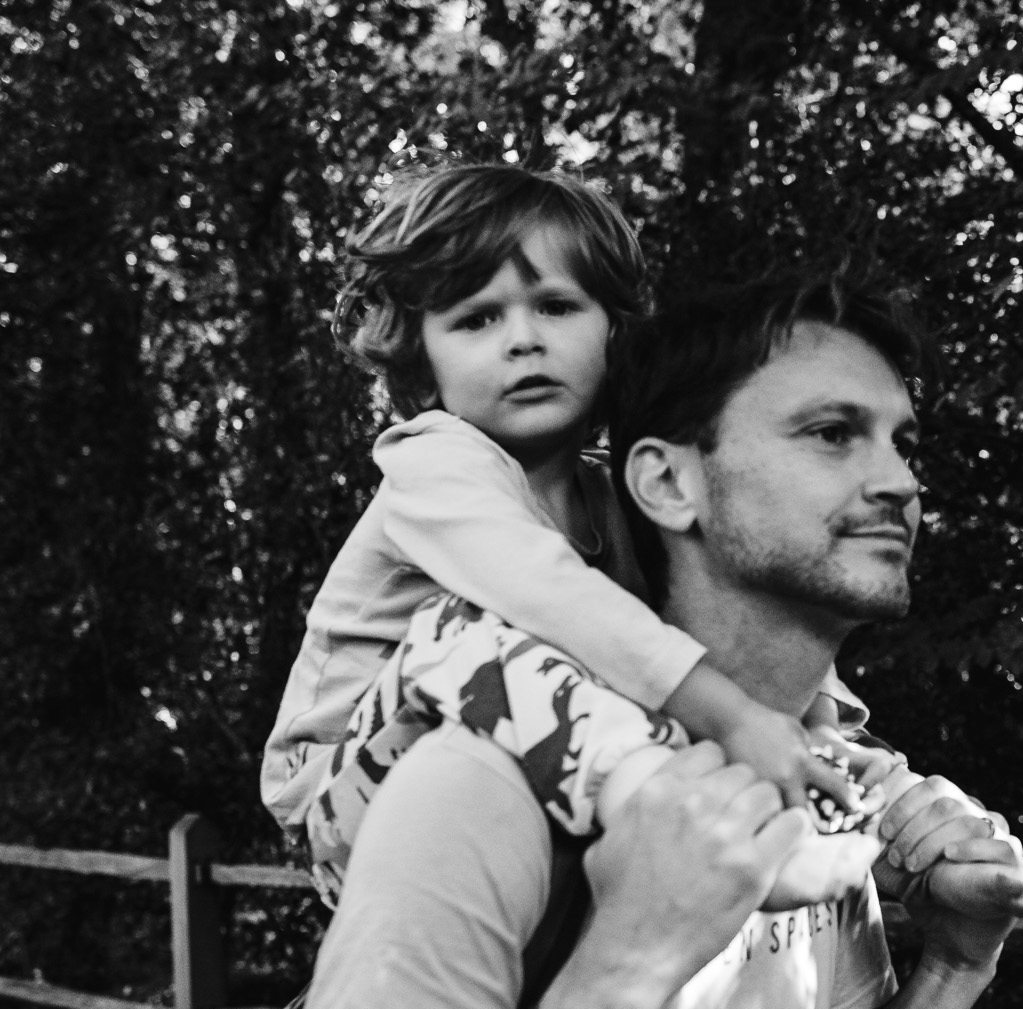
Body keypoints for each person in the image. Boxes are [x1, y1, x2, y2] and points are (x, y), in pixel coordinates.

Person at [269, 271, 1023, 1009]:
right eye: (832, 434)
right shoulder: (483, 786)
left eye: (901, 442)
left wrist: (957, 967)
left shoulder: (809, 788)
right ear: (667, 484)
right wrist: (626, 960)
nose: (899, 482)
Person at [259, 163, 863, 901]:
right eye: (477, 319)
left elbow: (734, 582)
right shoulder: (436, 461)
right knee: (467, 630)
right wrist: (732, 717)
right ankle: (696, 829)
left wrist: (815, 721)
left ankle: (839, 812)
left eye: (555, 306)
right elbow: (546, 592)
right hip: (345, 782)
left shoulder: (615, 489)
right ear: (424, 361)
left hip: (519, 776)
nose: (523, 341)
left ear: (614, 327)